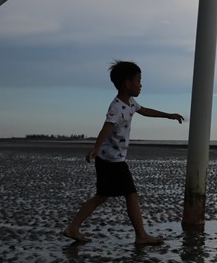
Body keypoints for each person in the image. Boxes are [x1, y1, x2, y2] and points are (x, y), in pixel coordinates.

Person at [63, 60, 185, 244]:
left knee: (102, 196)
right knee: (130, 195)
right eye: (139, 81)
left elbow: (145, 111)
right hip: (111, 161)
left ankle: (73, 228)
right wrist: (96, 148)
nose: (141, 85)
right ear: (127, 84)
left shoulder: (130, 102)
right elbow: (106, 127)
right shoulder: (116, 107)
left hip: (111, 160)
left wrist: (169, 115)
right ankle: (141, 236)